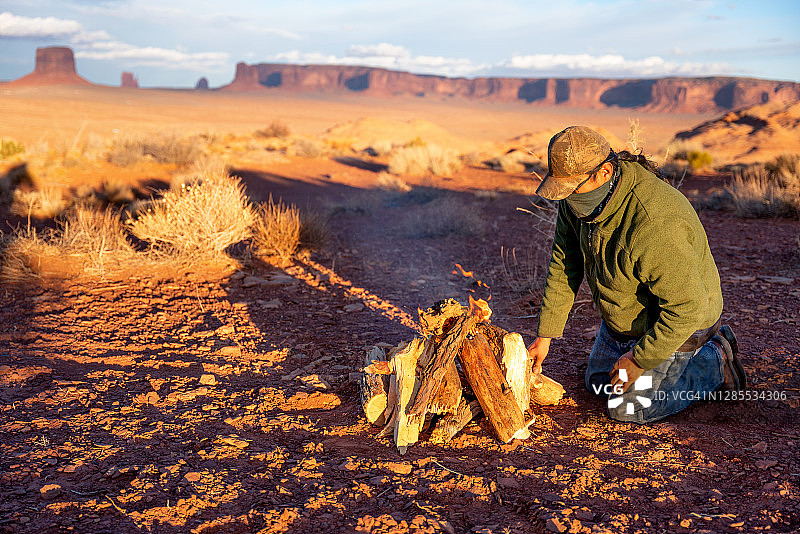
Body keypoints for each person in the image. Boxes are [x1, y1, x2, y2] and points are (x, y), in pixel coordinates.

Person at [527, 125, 746, 424]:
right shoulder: (578, 203)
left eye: (573, 188)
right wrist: (545, 335)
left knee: (628, 409)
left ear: (604, 172)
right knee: (599, 385)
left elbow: (687, 308)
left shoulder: (654, 222)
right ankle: (641, 354)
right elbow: (565, 262)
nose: (567, 199)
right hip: (628, 319)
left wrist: (639, 359)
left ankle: (714, 361)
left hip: (680, 322)